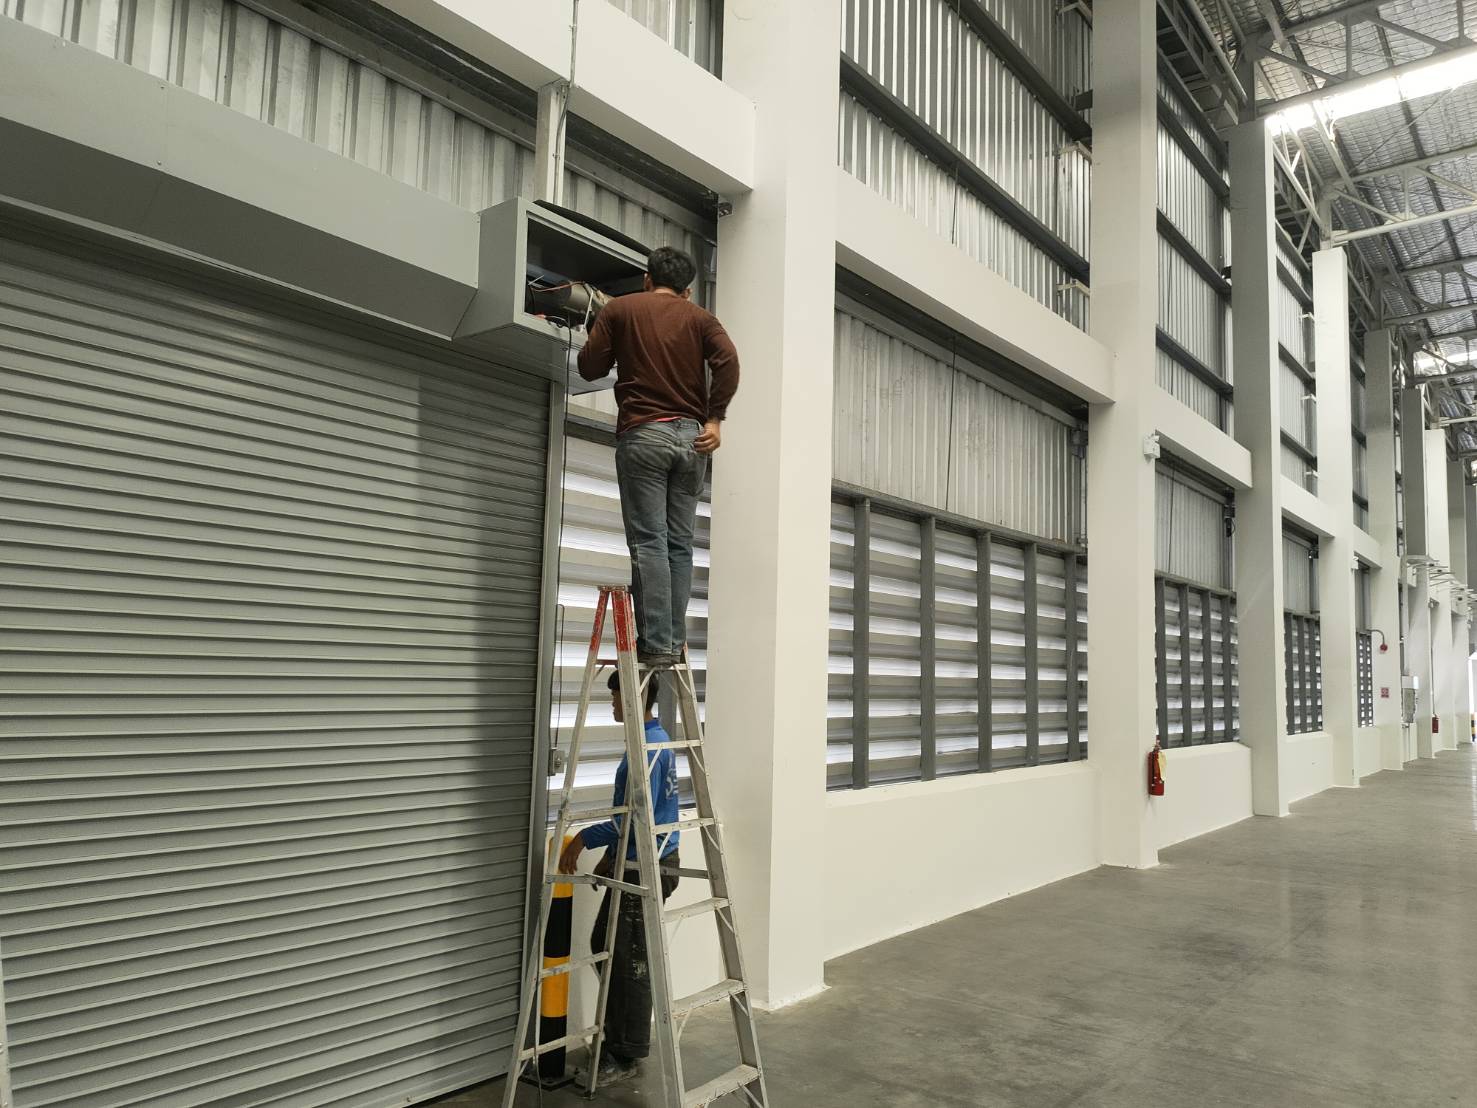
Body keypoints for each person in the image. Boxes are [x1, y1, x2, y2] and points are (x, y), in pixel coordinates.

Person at [577, 246, 740, 666]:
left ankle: (656, 644)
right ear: (687, 291)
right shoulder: (701, 318)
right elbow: (728, 361)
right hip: (692, 440)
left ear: (647, 279)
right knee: (679, 544)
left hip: (644, 434)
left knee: (650, 541)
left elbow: (590, 368)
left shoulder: (620, 310)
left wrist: (600, 330)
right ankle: (672, 640)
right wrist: (715, 419)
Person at [557, 670, 681, 1086]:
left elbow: (633, 817)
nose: (611, 704)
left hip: (650, 864)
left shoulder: (649, 749)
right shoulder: (649, 741)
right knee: (609, 947)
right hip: (637, 858)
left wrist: (583, 840)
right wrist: (613, 857)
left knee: (629, 962)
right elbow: (634, 816)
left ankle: (625, 1054)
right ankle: (620, 1042)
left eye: (615, 697)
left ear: (634, 698)